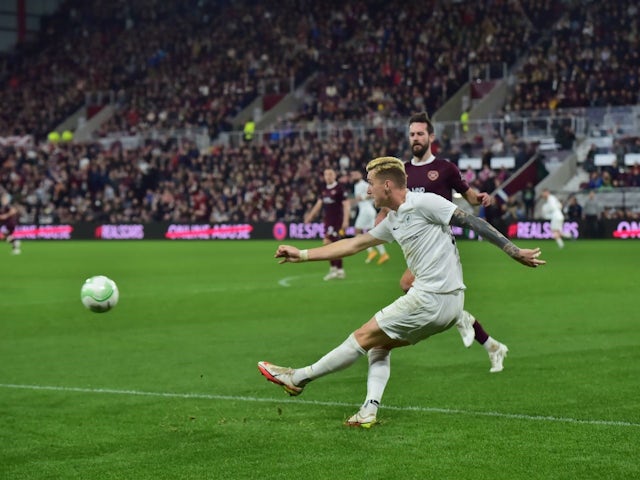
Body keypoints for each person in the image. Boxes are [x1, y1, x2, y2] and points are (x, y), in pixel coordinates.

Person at [258, 156, 545, 428]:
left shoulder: (425, 202)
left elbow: (473, 221)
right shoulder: (393, 220)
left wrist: (513, 250)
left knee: (361, 337)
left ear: (387, 185)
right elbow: (354, 244)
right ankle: (368, 410)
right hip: (451, 305)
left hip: (431, 299)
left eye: (371, 183)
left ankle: (298, 378)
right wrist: (303, 254)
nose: (368, 190)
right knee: (380, 345)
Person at [378, 112, 505, 372]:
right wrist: (379, 223)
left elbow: (468, 196)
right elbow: (391, 203)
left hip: (439, 246)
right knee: (426, 294)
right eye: (412, 134)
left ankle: (462, 319)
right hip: (415, 245)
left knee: (406, 283)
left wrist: (478, 197)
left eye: (420, 134)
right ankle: (491, 344)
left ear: (431, 137)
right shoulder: (402, 171)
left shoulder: (445, 168)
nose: (415, 138)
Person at [304, 168, 351, 280]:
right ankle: (338, 270)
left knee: (328, 243)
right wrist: (310, 216)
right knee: (331, 245)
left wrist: (346, 220)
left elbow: (346, 204)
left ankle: (335, 269)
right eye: (326, 174)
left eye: (330, 174)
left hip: (336, 222)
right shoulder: (324, 189)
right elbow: (318, 204)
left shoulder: (339, 188)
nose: (328, 176)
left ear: (334, 175)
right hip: (327, 221)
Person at [350, 169, 389, 265]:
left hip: (366, 211)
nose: (354, 176)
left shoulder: (364, 184)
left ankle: (371, 251)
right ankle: (383, 254)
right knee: (373, 234)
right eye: (352, 175)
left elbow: (374, 193)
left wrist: (362, 197)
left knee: (357, 231)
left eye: (356, 173)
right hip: (366, 211)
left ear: (360, 175)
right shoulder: (356, 185)